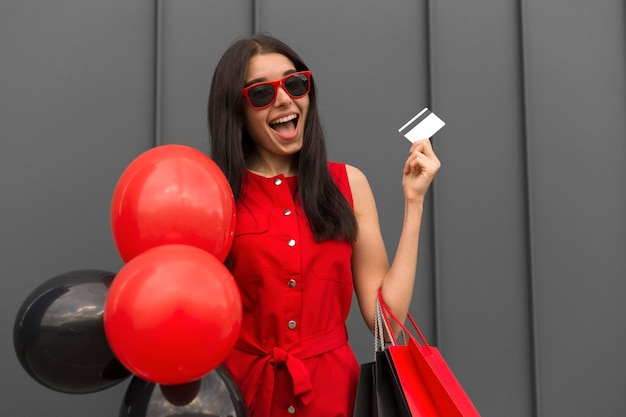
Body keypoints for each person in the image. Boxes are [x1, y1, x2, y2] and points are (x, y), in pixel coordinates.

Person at [207, 34, 440, 417]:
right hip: (241, 396)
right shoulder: (214, 194)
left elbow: (386, 325)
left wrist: (413, 204)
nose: (284, 99)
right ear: (236, 110)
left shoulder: (348, 185)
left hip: (333, 397)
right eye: (262, 93)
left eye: (295, 83)